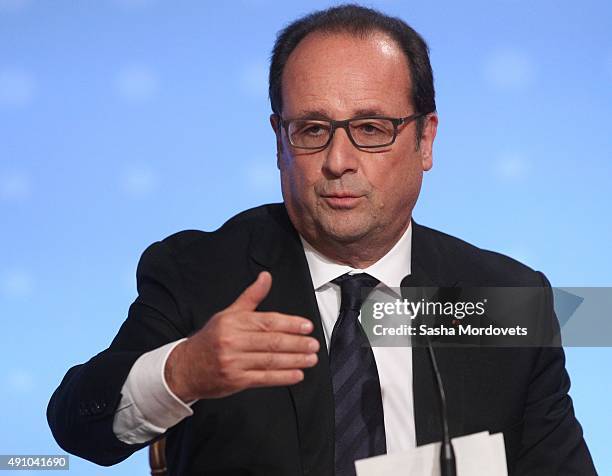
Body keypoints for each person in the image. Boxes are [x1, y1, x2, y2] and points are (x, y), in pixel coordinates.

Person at [47, 4, 596, 475]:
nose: (338, 162)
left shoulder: (503, 297)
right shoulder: (201, 272)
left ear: (425, 141)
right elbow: (77, 425)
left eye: (372, 129)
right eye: (311, 130)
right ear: (280, 143)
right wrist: (184, 370)